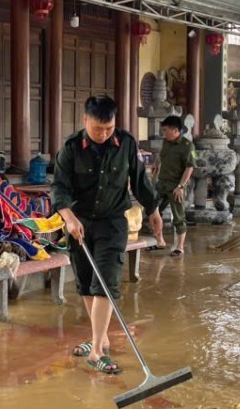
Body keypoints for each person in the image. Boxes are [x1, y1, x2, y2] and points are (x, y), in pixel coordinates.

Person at [52, 96, 164, 375]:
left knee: (106, 281)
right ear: (85, 121)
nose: (104, 134)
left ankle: (97, 351)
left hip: (113, 223)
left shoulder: (125, 144)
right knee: (87, 282)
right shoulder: (70, 149)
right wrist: (69, 219)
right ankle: (97, 337)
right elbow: (60, 189)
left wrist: (154, 210)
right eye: (98, 128)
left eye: (109, 128)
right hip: (80, 223)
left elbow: (140, 180)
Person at [154, 115, 196, 256]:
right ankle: (159, 241)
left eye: (166, 130)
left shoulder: (187, 145)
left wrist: (181, 186)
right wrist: (156, 164)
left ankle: (180, 247)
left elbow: (190, 167)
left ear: (175, 130)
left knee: (178, 216)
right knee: (153, 211)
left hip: (176, 186)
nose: (164, 133)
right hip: (162, 183)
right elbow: (162, 156)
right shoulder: (166, 142)